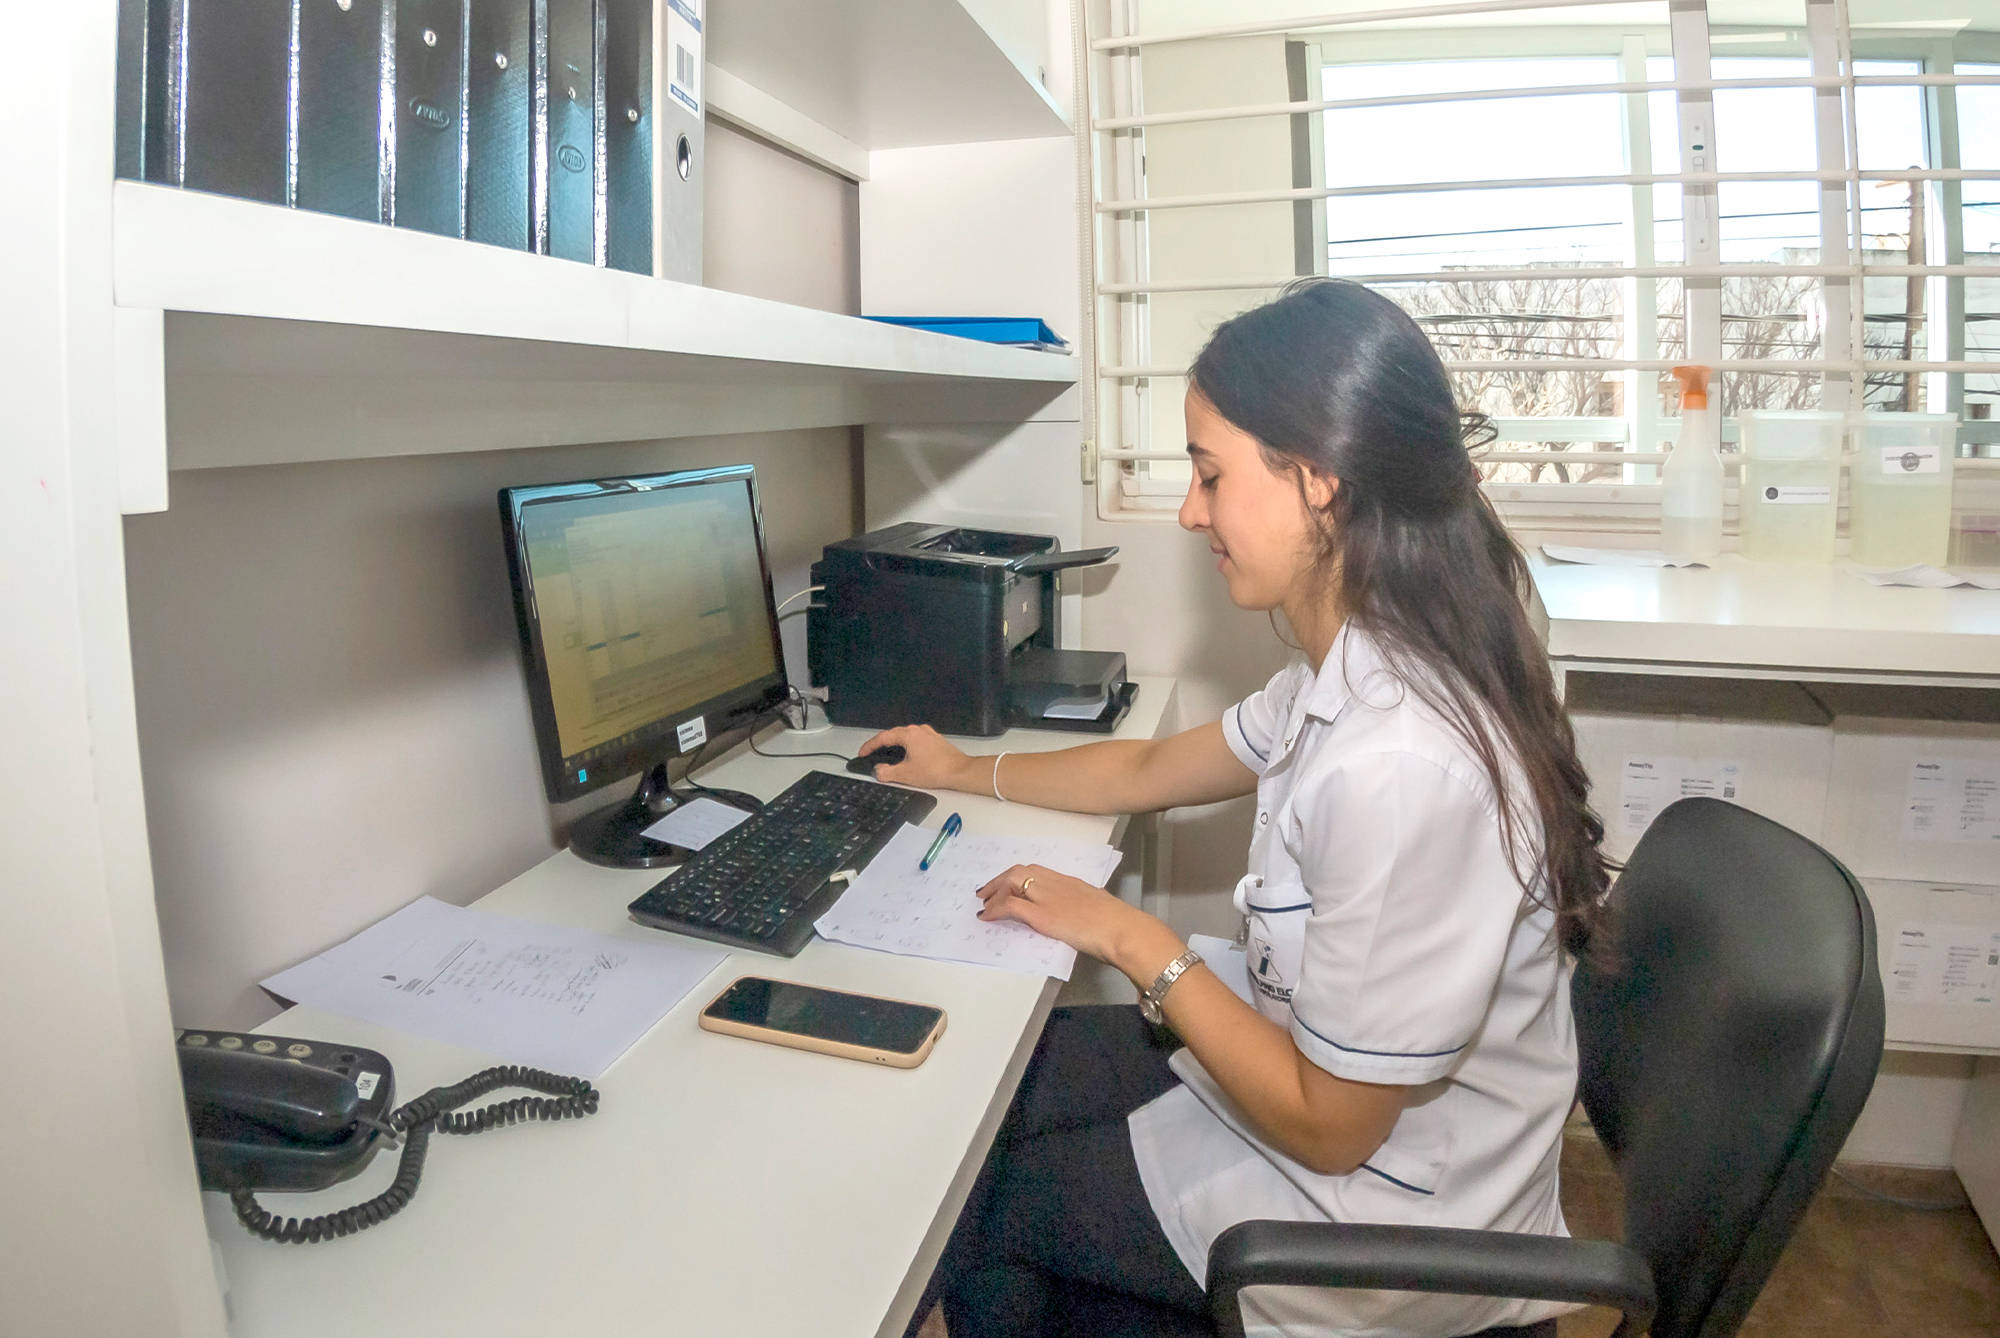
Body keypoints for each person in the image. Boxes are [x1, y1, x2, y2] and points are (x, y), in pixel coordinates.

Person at [865, 278, 1612, 1338]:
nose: (1189, 511)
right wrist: (960, 772)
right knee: (999, 1097)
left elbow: (1331, 1128)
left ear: (1319, 482)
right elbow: (1145, 770)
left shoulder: (1402, 763)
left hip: (1379, 1223)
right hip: (1331, 1121)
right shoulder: (1356, 664)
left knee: (984, 1209)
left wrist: (1131, 938)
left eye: (1210, 475)